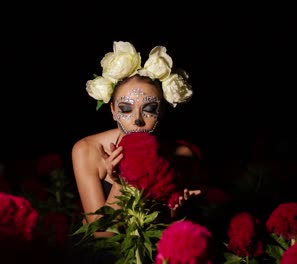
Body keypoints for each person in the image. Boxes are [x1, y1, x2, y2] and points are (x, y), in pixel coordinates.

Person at [71, 41, 201, 239]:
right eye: (125, 109)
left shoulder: (182, 155)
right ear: (113, 111)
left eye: (149, 109)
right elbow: (101, 234)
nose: (138, 119)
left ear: (162, 112)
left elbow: (173, 233)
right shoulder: (87, 149)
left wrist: (174, 216)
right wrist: (121, 181)